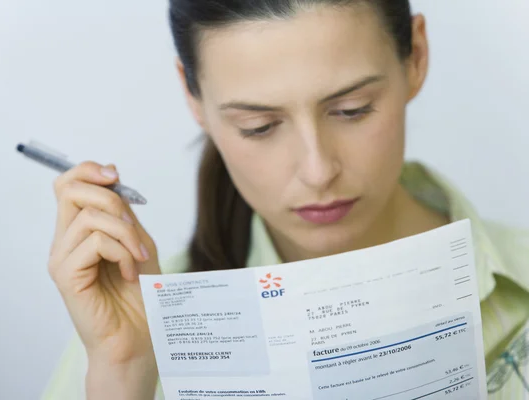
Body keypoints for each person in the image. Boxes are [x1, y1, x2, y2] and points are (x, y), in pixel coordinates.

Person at [41, 1, 529, 399]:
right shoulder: (131, 332)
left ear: (416, 56)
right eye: (259, 127)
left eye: (351, 110)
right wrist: (125, 375)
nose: (317, 171)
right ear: (193, 97)